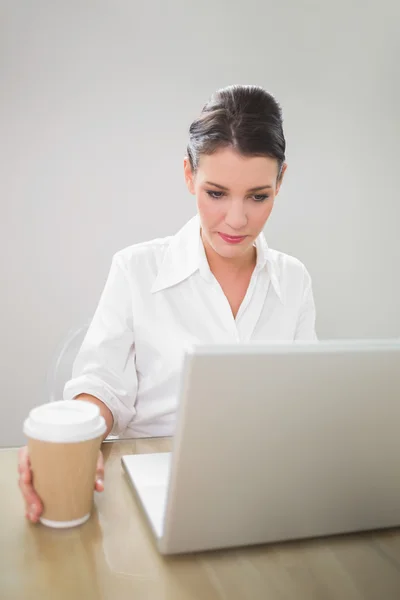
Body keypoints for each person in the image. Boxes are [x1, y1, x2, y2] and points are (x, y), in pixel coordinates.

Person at [18, 84, 317, 522]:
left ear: (280, 182)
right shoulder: (136, 269)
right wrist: (71, 435)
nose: (237, 219)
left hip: (262, 489)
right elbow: (101, 383)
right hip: (151, 483)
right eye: (216, 193)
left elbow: (306, 402)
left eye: (258, 196)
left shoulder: (294, 281)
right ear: (189, 175)